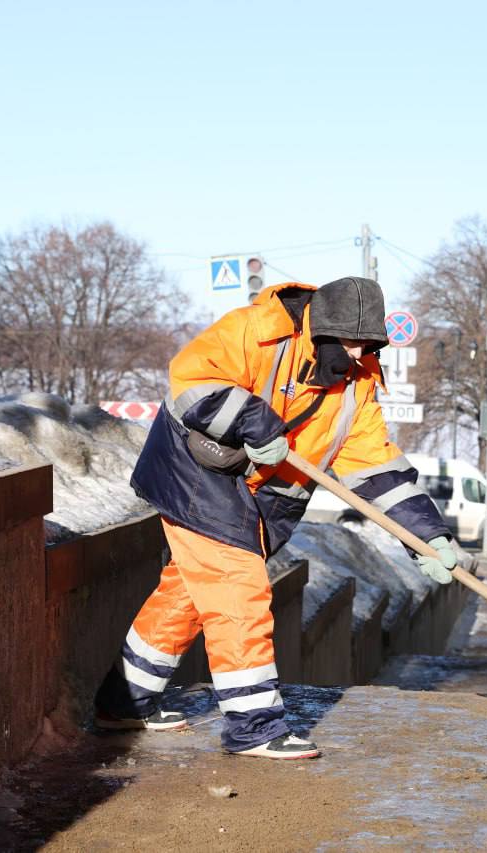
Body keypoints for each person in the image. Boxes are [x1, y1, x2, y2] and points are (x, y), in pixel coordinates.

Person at [94, 277, 458, 759]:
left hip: (259, 496)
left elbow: (377, 470)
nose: (356, 355)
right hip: (197, 471)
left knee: (187, 592)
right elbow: (191, 377)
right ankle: (254, 726)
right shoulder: (257, 330)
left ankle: (124, 702)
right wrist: (252, 420)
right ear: (321, 329)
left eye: (367, 345)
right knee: (236, 588)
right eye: (350, 342)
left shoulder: (358, 385)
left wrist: (427, 535)